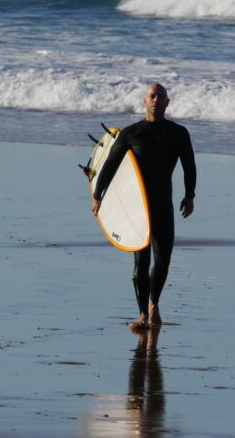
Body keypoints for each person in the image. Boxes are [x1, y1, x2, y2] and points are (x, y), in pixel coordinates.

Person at [91, 83, 196, 330]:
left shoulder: (178, 133)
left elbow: (189, 166)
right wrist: (98, 196)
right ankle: (142, 314)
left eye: (160, 96)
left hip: (163, 206)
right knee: (140, 265)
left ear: (167, 102)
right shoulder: (130, 134)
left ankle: (153, 303)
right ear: (144, 101)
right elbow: (110, 166)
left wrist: (189, 195)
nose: (156, 99)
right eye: (151, 96)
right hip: (138, 208)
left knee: (162, 262)